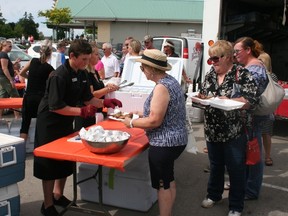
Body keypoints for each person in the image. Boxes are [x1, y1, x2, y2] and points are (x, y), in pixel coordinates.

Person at [33, 39, 122, 216]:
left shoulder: (81, 73)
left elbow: (88, 98)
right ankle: (48, 204)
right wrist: (81, 112)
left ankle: (58, 195)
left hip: (67, 120)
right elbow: (56, 106)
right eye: (83, 59)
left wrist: (105, 102)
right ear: (72, 56)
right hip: (50, 123)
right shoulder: (58, 75)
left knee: (65, 160)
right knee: (49, 164)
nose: (86, 63)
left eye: (88, 59)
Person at [123, 49, 187, 216]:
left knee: (162, 184)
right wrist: (139, 114)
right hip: (175, 141)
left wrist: (130, 122)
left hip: (164, 143)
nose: (142, 71)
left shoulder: (161, 87)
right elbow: (162, 112)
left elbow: (154, 121)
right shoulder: (171, 81)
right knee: (168, 180)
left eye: (142, 68)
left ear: (150, 69)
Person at [199, 40, 258, 216]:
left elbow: (251, 100)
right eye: (210, 59)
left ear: (227, 57)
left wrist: (229, 100)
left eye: (215, 59)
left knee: (236, 169)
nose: (212, 63)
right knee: (215, 165)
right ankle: (214, 195)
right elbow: (205, 92)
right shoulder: (211, 73)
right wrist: (200, 98)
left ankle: (235, 206)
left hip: (234, 131)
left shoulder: (242, 73)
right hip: (212, 129)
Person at [234, 37, 269, 201]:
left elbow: (249, 97)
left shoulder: (255, 69)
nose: (235, 55)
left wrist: (228, 100)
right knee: (249, 151)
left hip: (252, 117)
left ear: (248, 50)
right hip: (249, 117)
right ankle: (246, 185)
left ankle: (251, 190)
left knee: (254, 153)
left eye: (237, 51)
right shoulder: (250, 67)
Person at [74, 42, 119, 131]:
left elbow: (98, 87)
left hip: (95, 112)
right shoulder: (86, 73)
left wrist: (107, 86)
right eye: (96, 54)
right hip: (86, 115)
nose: (99, 57)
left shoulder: (95, 72)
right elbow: (92, 95)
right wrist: (107, 89)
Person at [19, 39, 54, 142]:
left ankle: (21, 149)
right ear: (50, 53)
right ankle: (40, 146)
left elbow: (21, 73)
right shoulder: (50, 68)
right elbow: (52, 84)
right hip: (41, 98)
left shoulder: (33, 61)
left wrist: (30, 78)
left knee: (25, 124)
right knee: (41, 123)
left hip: (29, 96)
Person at [257, 42, 275, 166]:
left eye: (261, 61)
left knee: (264, 134)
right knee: (262, 134)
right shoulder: (272, 75)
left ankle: (266, 156)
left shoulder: (269, 76)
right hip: (265, 108)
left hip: (264, 108)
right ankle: (264, 157)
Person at [0, 40, 21, 119]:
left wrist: (15, 62)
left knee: (3, 98)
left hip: (3, 78)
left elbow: (8, 66)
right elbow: (4, 68)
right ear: (4, 46)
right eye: (10, 46)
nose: (11, 48)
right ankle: (17, 117)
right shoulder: (3, 54)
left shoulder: (4, 54)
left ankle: (0, 117)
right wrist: (11, 80)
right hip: (5, 78)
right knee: (15, 96)